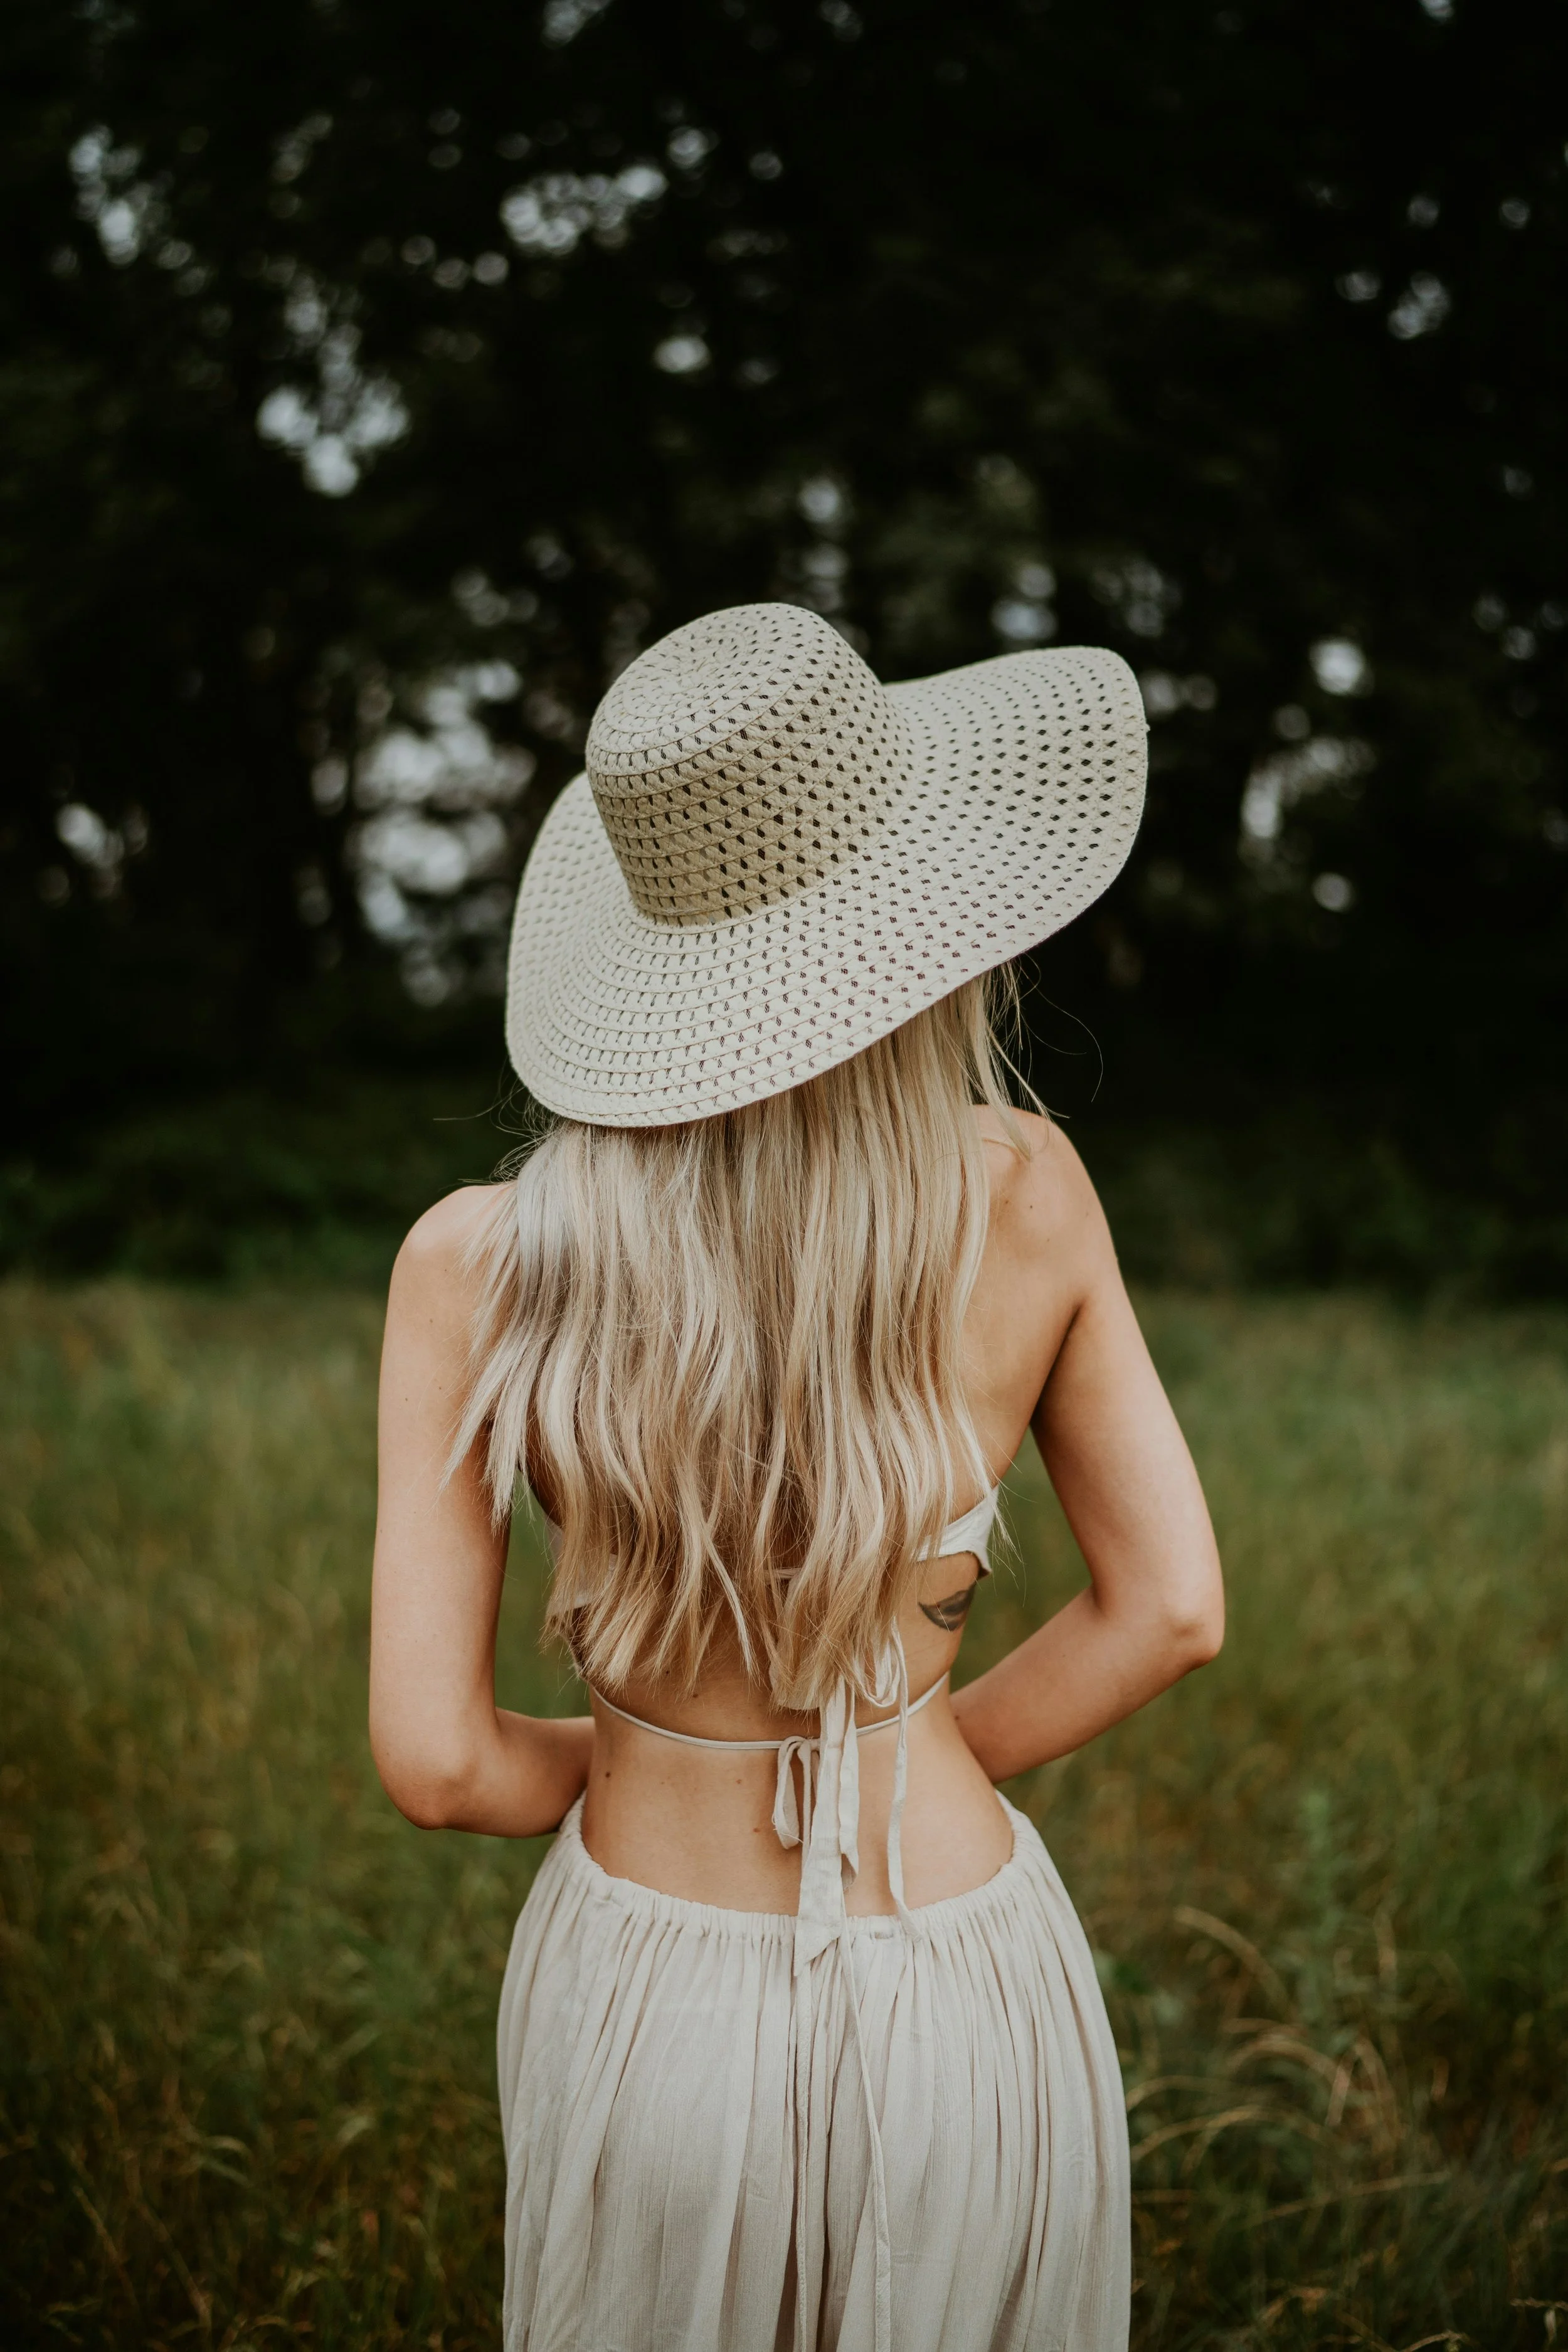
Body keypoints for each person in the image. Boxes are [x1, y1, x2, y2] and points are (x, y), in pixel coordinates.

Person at [369, 602, 1224, 2351]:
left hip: (648, 1995)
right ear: (923, 912)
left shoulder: (473, 1263)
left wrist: (666, 1757)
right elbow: (1172, 1609)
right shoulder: (1028, 1188)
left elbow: (439, 1763)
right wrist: (892, 1758)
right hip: (960, 1963)